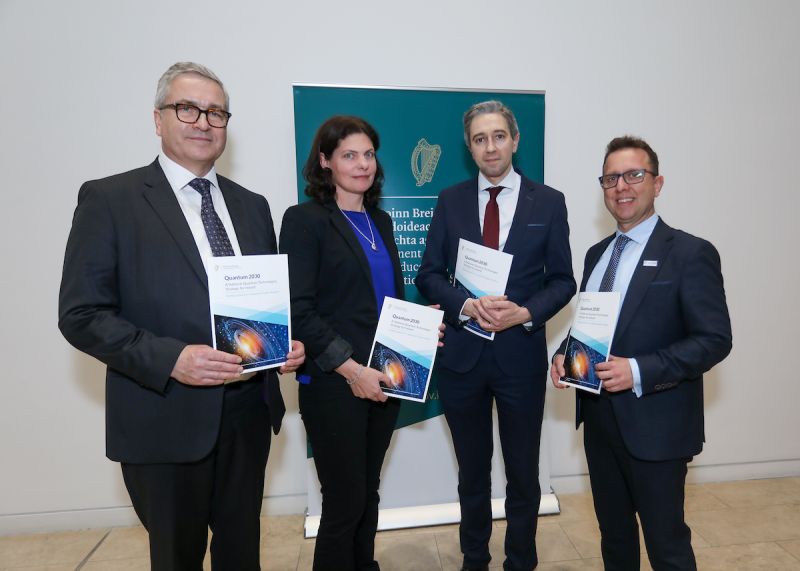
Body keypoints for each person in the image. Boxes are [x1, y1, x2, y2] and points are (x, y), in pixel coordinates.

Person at [58, 61, 305, 571]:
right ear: (158, 118)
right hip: (165, 416)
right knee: (176, 559)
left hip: (248, 416)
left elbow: (260, 301)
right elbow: (81, 314)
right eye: (187, 108)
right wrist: (173, 359)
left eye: (216, 113)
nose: (203, 122)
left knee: (242, 555)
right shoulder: (110, 200)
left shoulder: (252, 206)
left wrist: (284, 342)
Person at [550, 135, 732, 570]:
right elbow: (592, 323)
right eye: (611, 178)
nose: (621, 187)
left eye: (634, 175)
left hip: (657, 426)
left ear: (657, 183)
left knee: (667, 548)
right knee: (615, 541)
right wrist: (564, 352)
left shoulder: (690, 253)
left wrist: (638, 370)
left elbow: (714, 339)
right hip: (599, 423)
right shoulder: (597, 255)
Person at [416, 100, 576, 571]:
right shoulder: (450, 200)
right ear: (469, 147)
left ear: (515, 140)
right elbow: (429, 275)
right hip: (462, 359)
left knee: (523, 474)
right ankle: (475, 559)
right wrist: (466, 305)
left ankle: (520, 560)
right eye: (480, 139)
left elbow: (563, 281)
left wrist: (524, 312)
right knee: (472, 474)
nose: (490, 147)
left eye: (499, 136)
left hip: (520, 358)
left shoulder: (549, 202)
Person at [279, 116, 404, 571]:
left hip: (384, 380)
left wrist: (418, 326)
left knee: (367, 493)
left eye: (368, 154)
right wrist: (352, 370)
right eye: (349, 155)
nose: (362, 164)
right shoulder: (305, 220)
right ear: (325, 161)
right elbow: (299, 309)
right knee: (344, 502)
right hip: (336, 384)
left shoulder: (380, 221)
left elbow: (385, 302)